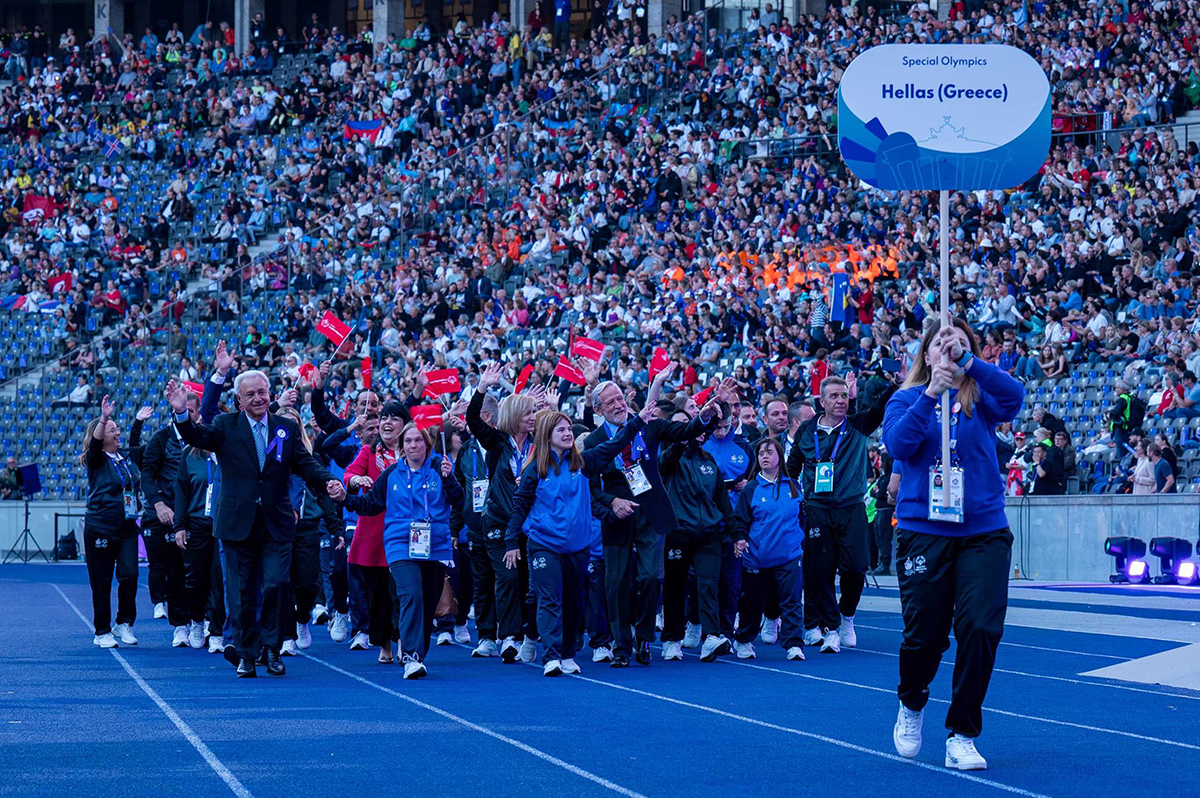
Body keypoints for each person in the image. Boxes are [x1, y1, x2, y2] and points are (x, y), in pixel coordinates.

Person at [882, 318, 1024, 772]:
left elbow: (1015, 398)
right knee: (925, 636)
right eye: (944, 347)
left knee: (981, 629)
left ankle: (962, 732)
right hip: (926, 532)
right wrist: (929, 394)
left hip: (983, 530)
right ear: (925, 356)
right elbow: (898, 444)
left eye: (962, 346)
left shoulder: (980, 398)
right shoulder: (905, 399)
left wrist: (968, 363)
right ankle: (912, 701)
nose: (953, 354)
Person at [165, 374, 342, 679]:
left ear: (269, 393)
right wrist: (181, 412)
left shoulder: (284, 429)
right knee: (241, 592)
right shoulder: (225, 426)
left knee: (276, 585)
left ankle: (272, 650)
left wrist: (329, 481)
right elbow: (196, 437)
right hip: (236, 524)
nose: (258, 399)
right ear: (240, 400)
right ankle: (246, 655)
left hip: (276, 523)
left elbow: (305, 463)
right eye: (251, 395)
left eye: (262, 392)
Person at [585, 377, 726, 666]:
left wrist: (706, 415)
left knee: (652, 577)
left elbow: (687, 429)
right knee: (617, 584)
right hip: (617, 516)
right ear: (598, 410)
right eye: (610, 402)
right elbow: (590, 487)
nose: (618, 404)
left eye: (620, 398)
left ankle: (644, 637)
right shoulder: (593, 441)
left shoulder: (649, 426)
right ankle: (621, 647)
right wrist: (611, 502)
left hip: (651, 513)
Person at [505, 406, 652, 675]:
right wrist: (511, 541)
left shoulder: (584, 463)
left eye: (569, 429)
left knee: (574, 601)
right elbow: (519, 506)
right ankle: (550, 656)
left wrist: (639, 420)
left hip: (577, 546)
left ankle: (567, 653)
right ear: (547, 436)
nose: (567, 433)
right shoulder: (535, 470)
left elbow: (616, 442)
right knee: (550, 599)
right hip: (544, 544)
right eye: (560, 429)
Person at [339, 423, 463, 679]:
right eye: (408, 441)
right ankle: (411, 656)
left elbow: (460, 501)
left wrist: (450, 479)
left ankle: (418, 652)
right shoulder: (392, 473)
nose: (413, 445)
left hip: (434, 545)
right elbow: (369, 505)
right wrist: (343, 498)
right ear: (401, 446)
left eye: (418, 441)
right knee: (411, 595)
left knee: (428, 603)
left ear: (427, 445)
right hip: (399, 544)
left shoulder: (441, 471)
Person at [786, 371, 896, 653]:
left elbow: (880, 409)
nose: (840, 401)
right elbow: (793, 466)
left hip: (851, 506)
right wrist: (794, 496)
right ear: (821, 401)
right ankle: (831, 627)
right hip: (818, 509)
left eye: (844, 395)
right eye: (834, 396)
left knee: (856, 567)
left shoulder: (858, 425)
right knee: (820, 571)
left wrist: (895, 383)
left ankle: (847, 615)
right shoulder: (807, 431)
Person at [466, 362, 542, 663]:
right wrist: (482, 387)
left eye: (534, 413)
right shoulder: (497, 443)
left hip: (530, 522)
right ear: (514, 418)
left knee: (528, 580)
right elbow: (473, 419)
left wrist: (550, 405)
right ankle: (509, 636)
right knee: (508, 577)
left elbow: (562, 427)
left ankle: (527, 634)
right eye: (528, 414)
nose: (533, 418)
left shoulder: (540, 444)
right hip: (498, 519)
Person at [659, 410, 733, 663]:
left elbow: (722, 501)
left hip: (709, 534)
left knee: (708, 585)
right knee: (675, 588)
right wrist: (683, 438)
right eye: (684, 426)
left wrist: (738, 533)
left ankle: (711, 636)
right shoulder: (669, 457)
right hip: (679, 533)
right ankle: (671, 639)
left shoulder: (709, 461)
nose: (697, 432)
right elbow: (667, 460)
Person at [729, 437, 806, 661]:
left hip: (789, 555)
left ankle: (793, 644)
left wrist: (799, 540)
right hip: (758, 557)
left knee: (792, 600)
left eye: (769, 452)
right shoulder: (751, 488)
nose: (764, 456)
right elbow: (741, 519)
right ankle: (744, 639)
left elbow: (801, 516)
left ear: (779, 457)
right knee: (752, 602)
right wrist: (740, 539)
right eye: (761, 452)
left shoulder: (792, 485)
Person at [277, 406, 345, 657]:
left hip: (307, 527)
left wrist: (335, 528)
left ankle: (302, 617)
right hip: (277, 528)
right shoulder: (269, 457)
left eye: (293, 425)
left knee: (306, 582)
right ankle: (286, 635)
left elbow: (325, 495)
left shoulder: (310, 458)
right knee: (281, 582)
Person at [80, 396, 144, 648]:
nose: (118, 432)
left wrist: (138, 422)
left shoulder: (125, 458)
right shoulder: (96, 460)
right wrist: (104, 417)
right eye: (112, 429)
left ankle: (124, 623)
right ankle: (101, 630)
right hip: (101, 527)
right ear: (101, 434)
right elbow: (95, 446)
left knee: (130, 574)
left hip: (127, 526)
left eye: (118, 428)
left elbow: (138, 447)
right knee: (102, 579)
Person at [339, 407, 402, 661]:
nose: (387, 422)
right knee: (378, 595)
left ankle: (403, 642)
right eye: (384, 418)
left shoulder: (413, 452)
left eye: (394, 418)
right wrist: (356, 482)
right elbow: (349, 474)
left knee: (402, 592)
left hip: (406, 533)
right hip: (375, 534)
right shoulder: (368, 452)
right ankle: (384, 642)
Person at [137, 390, 196, 637]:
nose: (187, 414)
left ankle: (203, 622)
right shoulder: (160, 440)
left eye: (192, 411)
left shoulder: (204, 439)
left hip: (199, 515)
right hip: (170, 514)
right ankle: (180, 625)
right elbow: (147, 474)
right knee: (173, 571)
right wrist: (159, 504)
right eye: (183, 410)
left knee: (203, 573)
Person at [451, 396, 499, 657]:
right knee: (481, 582)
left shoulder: (502, 445)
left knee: (505, 581)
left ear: (487, 417)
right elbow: (460, 490)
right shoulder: (467, 450)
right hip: (475, 527)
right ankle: (486, 636)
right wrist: (454, 529)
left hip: (502, 526)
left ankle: (511, 633)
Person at [172, 441, 226, 653]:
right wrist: (180, 525)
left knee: (219, 578)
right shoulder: (190, 455)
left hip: (224, 524)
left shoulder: (230, 450)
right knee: (195, 579)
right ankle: (196, 620)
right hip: (197, 524)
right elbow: (182, 491)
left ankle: (216, 631)